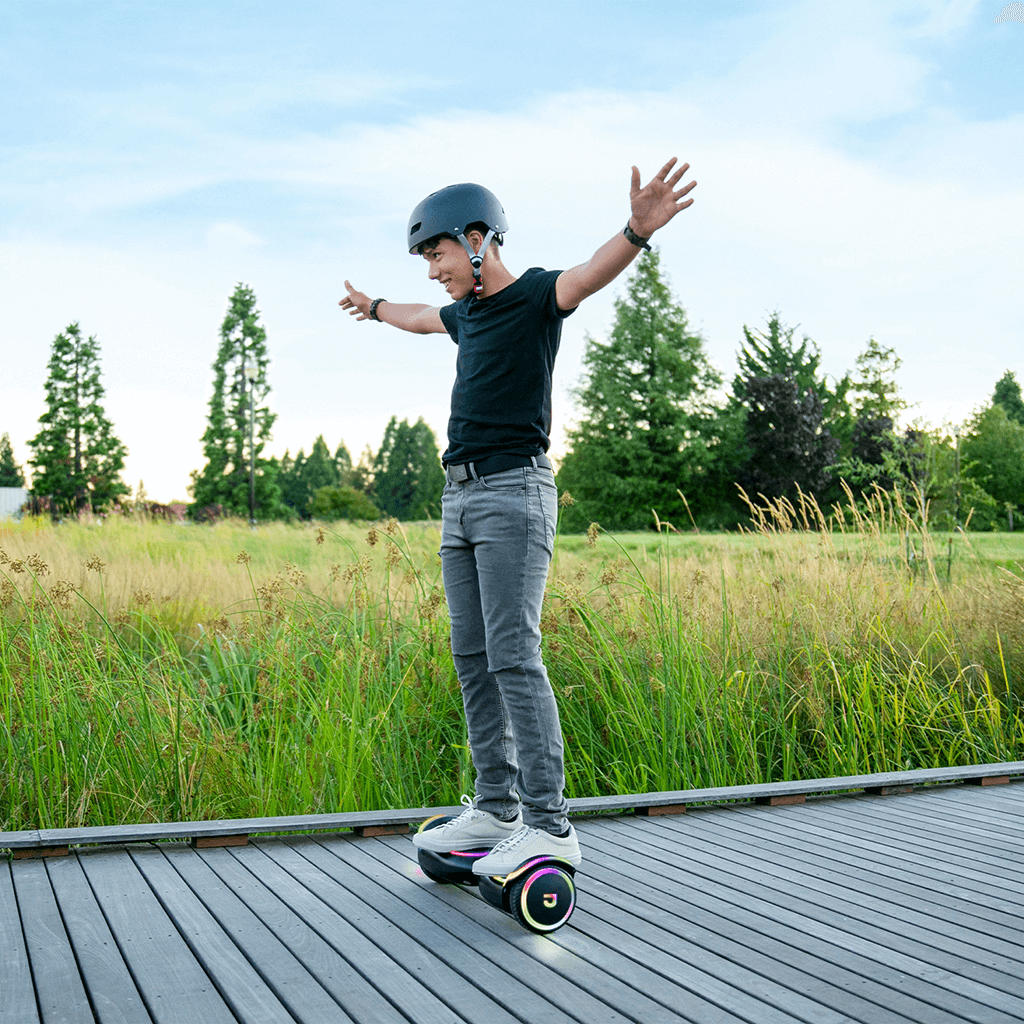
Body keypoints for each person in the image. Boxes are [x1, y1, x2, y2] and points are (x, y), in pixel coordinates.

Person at [339, 158, 696, 876]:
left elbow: (591, 273)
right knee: (472, 655)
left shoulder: (535, 297)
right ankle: (495, 806)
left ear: (476, 240)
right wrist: (374, 306)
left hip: (514, 493)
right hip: (459, 497)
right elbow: (414, 320)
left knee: (513, 655)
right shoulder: (464, 315)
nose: (434, 272)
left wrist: (636, 230)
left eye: (437, 255)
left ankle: (549, 823)